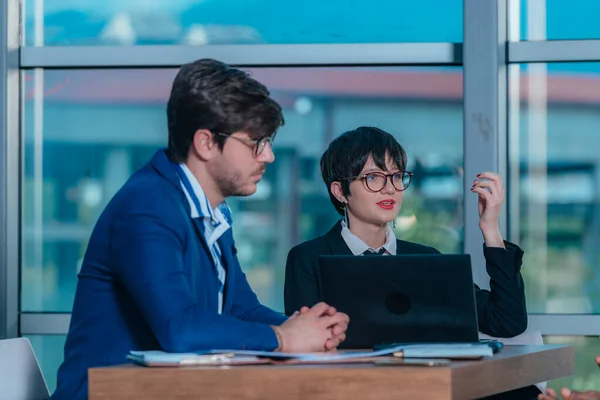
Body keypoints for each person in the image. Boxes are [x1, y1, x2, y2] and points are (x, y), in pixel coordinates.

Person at [52, 59, 348, 400]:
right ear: (205, 143)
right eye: (256, 142)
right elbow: (180, 328)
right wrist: (284, 339)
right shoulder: (147, 206)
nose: (268, 156)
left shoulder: (210, 210)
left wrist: (306, 327)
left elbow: (241, 308)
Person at [284, 126, 534, 399]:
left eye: (396, 176)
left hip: (427, 388)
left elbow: (507, 322)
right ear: (340, 192)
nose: (390, 188)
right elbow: (306, 348)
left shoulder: (426, 259)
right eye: (373, 177)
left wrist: (491, 230)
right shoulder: (308, 259)